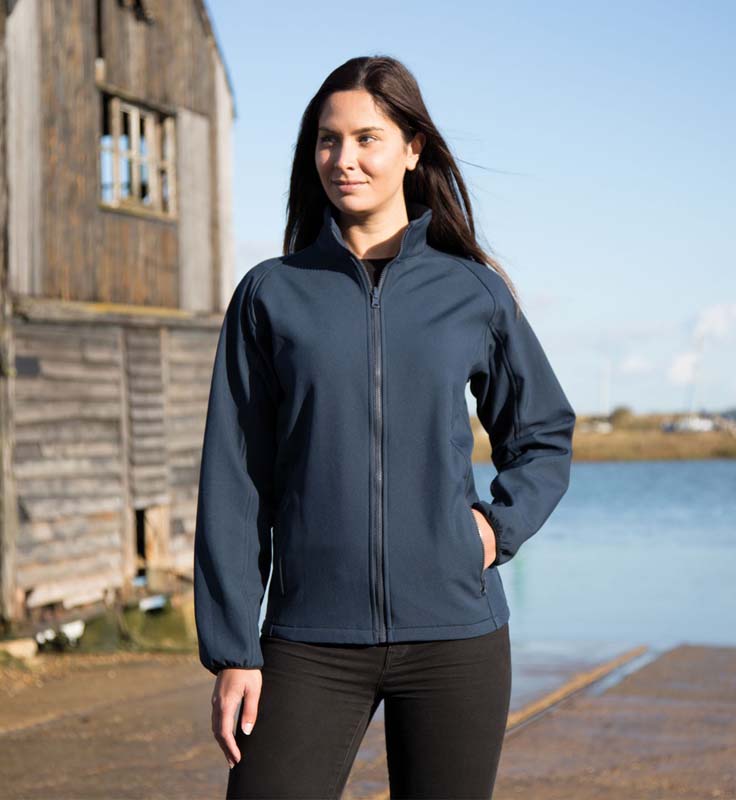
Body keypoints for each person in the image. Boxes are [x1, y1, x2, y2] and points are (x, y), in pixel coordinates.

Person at [193, 54, 576, 800]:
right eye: (328, 139)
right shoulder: (271, 295)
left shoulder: (472, 292)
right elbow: (235, 479)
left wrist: (494, 530)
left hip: (456, 636)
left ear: (412, 149)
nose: (344, 159)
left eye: (367, 138)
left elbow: (542, 433)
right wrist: (234, 647)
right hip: (309, 639)